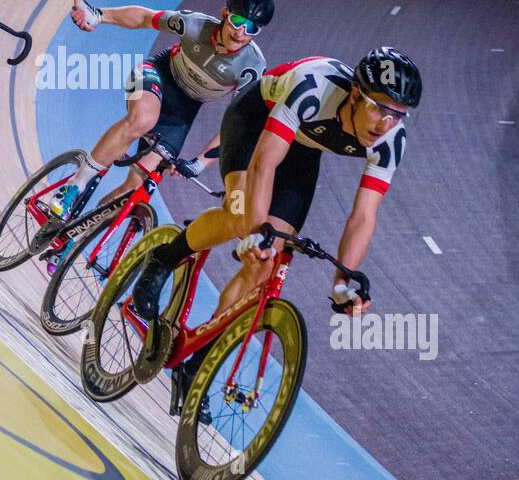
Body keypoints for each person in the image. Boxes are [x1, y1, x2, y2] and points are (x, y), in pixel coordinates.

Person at [133, 48, 422, 325]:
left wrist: (342, 283)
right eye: (378, 109)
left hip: (303, 148)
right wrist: (257, 231)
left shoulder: (391, 139)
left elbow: (364, 216)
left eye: (397, 114)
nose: (385, 124)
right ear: (356, 94)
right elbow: (264, 163)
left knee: (265, 261)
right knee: (241, 217)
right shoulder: (315, 86)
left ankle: (203, 355)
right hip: (253, 122)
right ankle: (164, 257)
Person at [42, 0, 275, 255]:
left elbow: (240, 122)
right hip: (160, 76)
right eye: (237, 20)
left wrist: (199, 164)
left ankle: (73, 235)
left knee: (135, 188)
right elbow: (144, 18)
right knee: (142, 120)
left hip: (183, 111)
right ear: (225, 13)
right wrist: (99, 14)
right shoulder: (195, 25)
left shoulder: (252, 67)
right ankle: (74, 186)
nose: (241, 32)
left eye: (252, 28)